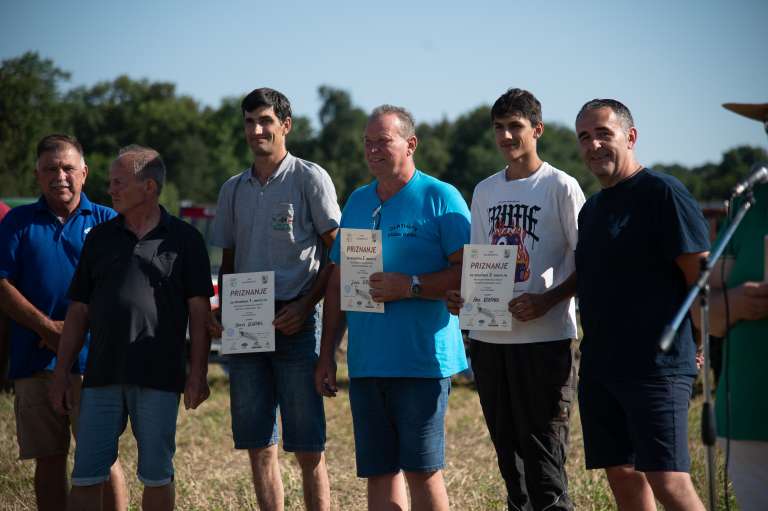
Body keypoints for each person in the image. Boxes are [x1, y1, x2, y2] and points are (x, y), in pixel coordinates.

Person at [315, 105, 471, 511]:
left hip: (421, 362)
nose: (372, 150)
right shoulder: (358, 201)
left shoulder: (441, 197)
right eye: (367, 143)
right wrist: (327, 352)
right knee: (379, 471)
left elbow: (471, 272)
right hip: (367, 364)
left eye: (382, 141)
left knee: (422, 470)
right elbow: (338, 281)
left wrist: (412, 286)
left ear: (410, 144)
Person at [49, 145, 214, 511]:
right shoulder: (99, 238)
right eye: (110, 182)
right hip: (101, 375)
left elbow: (199, 315)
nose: (111, 190)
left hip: (159, 376)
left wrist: (198, 372)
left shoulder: (186, 240)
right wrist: (62, 371)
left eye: (119, 182)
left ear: (149, 188)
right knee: (87, 474)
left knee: (157, 474)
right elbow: (78, 311)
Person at [446, 88, 584, 510]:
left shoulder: (561, 186)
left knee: (545, 462)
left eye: (516, 127)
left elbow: (588, 260)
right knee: (511, 463)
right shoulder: (485, 190)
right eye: (499, 128)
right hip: (492, 341)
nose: (506, 136)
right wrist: (465, 297)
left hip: (545, 340)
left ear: (536, 130)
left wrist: (548, 300)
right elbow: (481, 261)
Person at [209, 88, 340, 511]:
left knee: (307, 446)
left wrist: (305, 306)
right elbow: (228, 257)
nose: (257, 130)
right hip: (246, 325)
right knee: (258, 443)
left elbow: (335, 253)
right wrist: (224, 310)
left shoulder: (309, 178)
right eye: (249, 122)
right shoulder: (233, 189)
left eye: (265, 120)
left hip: (297, 320)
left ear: (286, 125)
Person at [574, 99, 708, 510]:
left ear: (630, 137)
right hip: (600, 367)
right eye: (584, 137)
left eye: (603, 134)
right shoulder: (592, 209)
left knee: (669, 481)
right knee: (623, 477)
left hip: (656, 368)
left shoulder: (663, 193)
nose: (593, 145)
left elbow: (699, 278)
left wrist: (698, 343)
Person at [0, 134, 127, 511]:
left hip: (94, 364)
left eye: (68, 168)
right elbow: (2, 284)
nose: (60, 176)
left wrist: (72, 333)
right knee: (49, 459)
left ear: (84, 173)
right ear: (37, 175)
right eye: (50, 169)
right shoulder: (18, 223)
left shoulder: (108, 221)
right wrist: (47, 329)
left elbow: (123, 290)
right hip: (36, 362)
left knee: (103, 459)